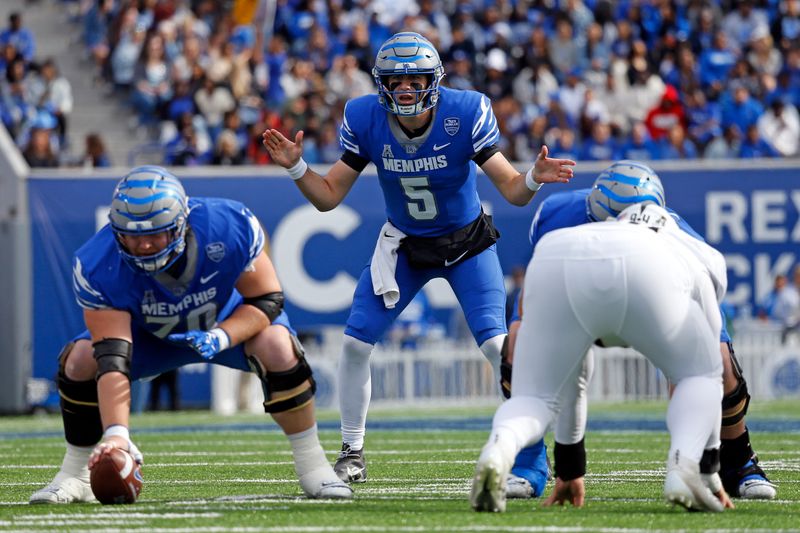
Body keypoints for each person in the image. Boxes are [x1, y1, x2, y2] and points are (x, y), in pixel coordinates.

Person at [261, 31, 575, 487]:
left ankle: (529, 461)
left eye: (415, 80)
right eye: (395, 81)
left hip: (466, 244)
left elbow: (511, 190)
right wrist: (296, 167)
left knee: (497, 348)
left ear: (435, 80)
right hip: (404, 246)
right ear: (381, 84)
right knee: (354, 344)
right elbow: (328, 198)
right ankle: (352, 450)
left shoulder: (464, 111)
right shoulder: (364, 116)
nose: (405, 89)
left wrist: (532, 177)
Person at [29, 166, 352, 504]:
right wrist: (116, 434)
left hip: (225, 323)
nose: (144, 245)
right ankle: (75, 474)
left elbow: (267, 299)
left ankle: (314, 466)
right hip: (150, 337)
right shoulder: (98, 262)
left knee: (278, 346)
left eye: (157, 234)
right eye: (133, 236)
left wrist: (223, 337)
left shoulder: (228, 225)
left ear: (182, 224)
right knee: (80, 360)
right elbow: (112, 356)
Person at [506, 160, 776, 500]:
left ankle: (739, 461)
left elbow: (704, 333)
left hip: (656, 291)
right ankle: (527, 462)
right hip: (578, 288)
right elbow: (541, 269)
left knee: (721, 367)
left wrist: (701, 448)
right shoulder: (559, 212)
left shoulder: (681, 238)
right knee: (516, 351)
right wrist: (521, 323)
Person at [471, 203, 734, 513]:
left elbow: (574, 379)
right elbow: (710, 364)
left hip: (557, 256)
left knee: (534, 398)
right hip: (651, 265)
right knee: (700, 375)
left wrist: (570, 469)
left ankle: (498, 449)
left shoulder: (586, 229)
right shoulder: (694, 250)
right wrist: (710, 470)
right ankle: (683, 466)